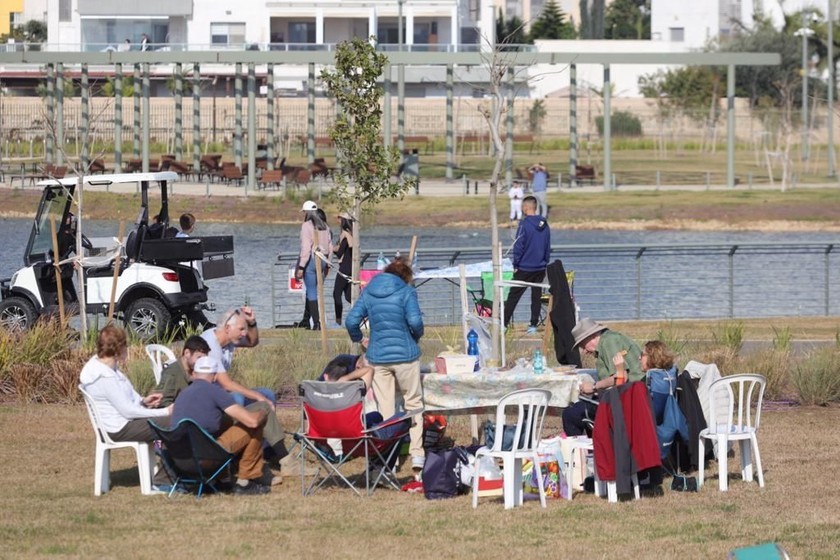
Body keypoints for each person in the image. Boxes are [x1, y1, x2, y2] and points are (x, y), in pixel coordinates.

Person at [345, 258, 425, 477]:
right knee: (413, 404)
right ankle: (417, 455)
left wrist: (360, 339)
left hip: (378, 357)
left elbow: (351, 320)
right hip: (406, 356)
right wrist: (415, 338)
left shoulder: (369, 290)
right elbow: (416, 322)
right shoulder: (407, 291)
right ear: (405, 276)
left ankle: (389, 461)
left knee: (386, 409)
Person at [171, 356, 271, 496]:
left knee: (224, 423)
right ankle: (245, 482)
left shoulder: (183, 394)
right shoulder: (215, 392)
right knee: (255, 425)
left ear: (194, 374)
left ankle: (222, 478)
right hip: (204, 460)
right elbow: (251, 422)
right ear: (215, 376)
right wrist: (263, 412)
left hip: (179, 461)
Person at [79, 324, 170, 442]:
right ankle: (172, 457)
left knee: (174, 419)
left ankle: (168, 455)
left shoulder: (107, 368)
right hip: (119, 429)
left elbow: (123, 400)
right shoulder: (104, 377)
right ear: (118, 349)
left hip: (123, 423)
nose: (127, 349)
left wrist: (143, 401)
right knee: (174, 421)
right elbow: (128, 412)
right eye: (125, 345)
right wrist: (166, 412)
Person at [561, 318, 644, 437]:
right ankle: (595, 443)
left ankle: (580, 450)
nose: (584, 351)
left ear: (592, 336)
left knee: (570, 414)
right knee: (581, 405)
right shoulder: (609, 339)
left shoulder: (608, 342)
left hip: (629, 400)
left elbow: (620, 377)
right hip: (631, 394)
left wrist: (594, 386)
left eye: (583, 345)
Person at [201, 306, 274, 408]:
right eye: (241, 329)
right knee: (237, 397)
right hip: (207, 397)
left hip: (222, 392)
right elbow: (226, 384)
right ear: (227, 328)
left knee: (267, 394)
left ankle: (263, 423)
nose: (244, 333)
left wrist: (251, 322)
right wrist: (257, 396)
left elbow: (252, 342)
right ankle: (237, 424)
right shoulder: (210, 346)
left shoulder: (227, 338)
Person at [503, 196, 550, 335]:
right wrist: (545, 261)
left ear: (526, 208)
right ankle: (533, 325)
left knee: (513, 296)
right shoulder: (545, 224)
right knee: (536, 296)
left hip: (524, 267)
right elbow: (548, 245)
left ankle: (503, 324)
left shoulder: (524, 225)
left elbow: (519, 246)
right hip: (540, 267)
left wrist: (516, 263)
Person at [295, 200, 331, 331]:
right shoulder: (325, 226)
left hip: (311, 259)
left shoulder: (307, 226)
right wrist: (328, 264)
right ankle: (310, 320)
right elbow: (330, 246)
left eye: (304, 211)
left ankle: (316, 322)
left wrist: (301, 267)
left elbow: (305, 248)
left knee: (311, 291)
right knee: (316, 290)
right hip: (323, 260)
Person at [153, 335, 210, 407]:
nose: (202, 362)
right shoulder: (172, 373)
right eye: (199, 357)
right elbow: (162, 401)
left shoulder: (197, 371)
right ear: (187, 353)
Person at [332, 211, 354, 327]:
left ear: (343, 220)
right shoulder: (352, 233)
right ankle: (364, 314)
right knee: (349, 296)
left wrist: (331, 248)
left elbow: (340, 253)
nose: (337, 220)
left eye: (339, 217)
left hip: (345, 268)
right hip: (351, 268)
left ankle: (338, 321)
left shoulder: (345, 234)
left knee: (336, 293)